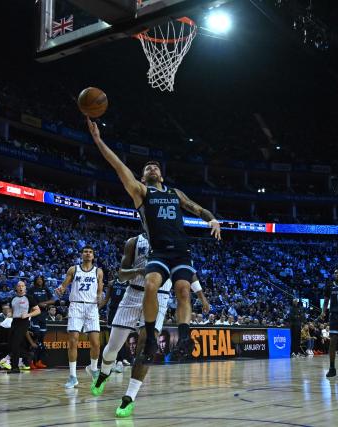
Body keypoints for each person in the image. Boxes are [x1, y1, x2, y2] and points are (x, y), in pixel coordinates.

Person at [86, 117, 221, 361]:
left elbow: (197, 209)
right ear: (142, 175)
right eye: (147, 167)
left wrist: (212, 219)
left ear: (161, 174)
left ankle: (184, 337)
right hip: (159, 251)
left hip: (181, 250)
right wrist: (98, 140)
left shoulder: (174, 193)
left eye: (155, 167)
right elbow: (118, 166)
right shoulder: (141, 192)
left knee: (182, 290)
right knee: (151, 285)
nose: (152, 168)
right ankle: (149, 336)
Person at [89, 234, 209, 417]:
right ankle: (104, 373)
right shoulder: (133, 242)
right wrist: (139, 271)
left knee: (146, 346)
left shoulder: (178, 243)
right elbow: (121, 275)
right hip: (132, 295)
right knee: (112, 348)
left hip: (159, 297)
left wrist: (201, 296)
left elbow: (189, 274)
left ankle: (129, 397)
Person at [55, 246, 104, 388]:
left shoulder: (98, 271)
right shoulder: (73, 269)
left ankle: (93, 368)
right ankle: (72, 376)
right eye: (85, 252)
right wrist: (61, 289)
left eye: (90, 252)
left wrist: (100, 296)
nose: (88, 254)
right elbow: (64, 285)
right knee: (73, 341)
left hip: (91, 307)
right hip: (76, 305)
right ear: (82, 255)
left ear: (93, 256)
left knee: (96, 343)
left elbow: (99, 289)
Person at [8, 281, 40, 374]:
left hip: (24, 322)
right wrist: (10, 313)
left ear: (25, 288)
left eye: (22, 286)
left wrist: (27, 315)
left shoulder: (29, 298)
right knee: (12, 343)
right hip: (14, 321)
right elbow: (11, 310)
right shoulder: (13, 298)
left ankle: (15, 367)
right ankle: (19, 363)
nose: (21, 287)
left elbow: (38, 311)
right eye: (19, 286)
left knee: (16, 343)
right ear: (16, 288)